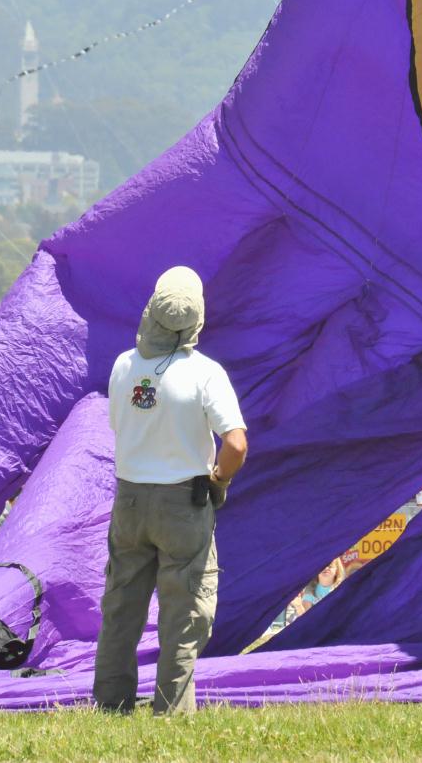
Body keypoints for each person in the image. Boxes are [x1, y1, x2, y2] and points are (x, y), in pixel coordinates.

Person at [93, 267, 248, 715]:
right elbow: (235, 443)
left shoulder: (124, 365)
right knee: (184, 613)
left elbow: (120, 426)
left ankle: (110, 703)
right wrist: (219, 480)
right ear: (197, 320)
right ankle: (171, 710)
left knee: (122, 607)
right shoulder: (205, 372)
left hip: (130, 500)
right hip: (184, 500)